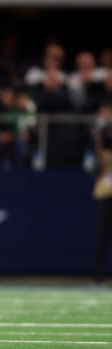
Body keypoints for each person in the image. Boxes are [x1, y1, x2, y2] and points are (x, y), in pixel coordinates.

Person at [92, 103, 112, 284]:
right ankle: (98, 274)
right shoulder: (100, 141)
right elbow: (94, 166)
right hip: (105, 193)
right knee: (102, 235)